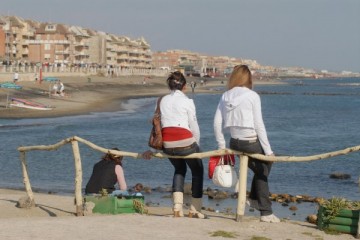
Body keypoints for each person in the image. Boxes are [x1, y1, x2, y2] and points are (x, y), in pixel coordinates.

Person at [213, 65, 280, 223]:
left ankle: (255, 200)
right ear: (248, 79)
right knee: (264, 169)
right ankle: (265, 211)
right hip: (250, 142)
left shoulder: (225, 96)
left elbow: (217, 123)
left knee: (260, 169)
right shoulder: (252, 96)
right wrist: (269, 151)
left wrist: (221, 145)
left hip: (234, 142)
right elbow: (259, 124)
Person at [143, 71, 205, 218]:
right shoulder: (188, 102)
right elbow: (194, 126)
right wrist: (196, 145)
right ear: (184, 86)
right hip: (185, 141)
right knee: (197, 171)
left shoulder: (161, 100)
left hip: (168, 144)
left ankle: (177, 208)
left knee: (179, 169)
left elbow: (158, 124)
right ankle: (195, 209)